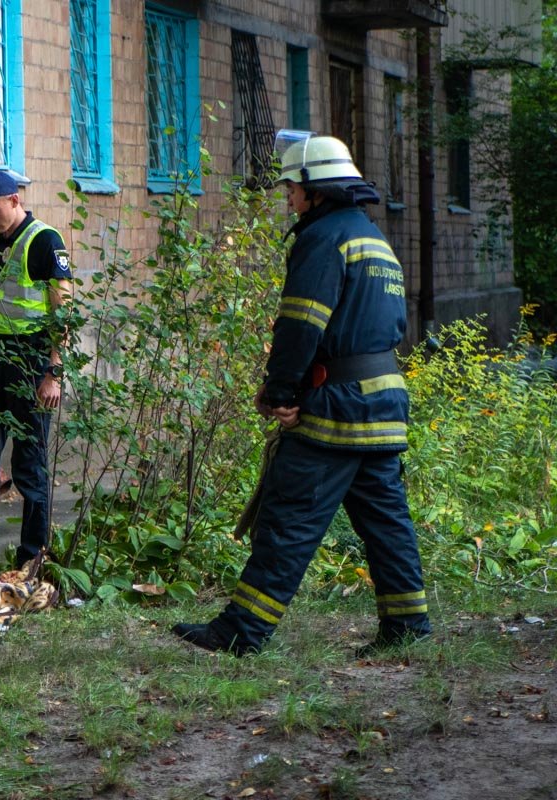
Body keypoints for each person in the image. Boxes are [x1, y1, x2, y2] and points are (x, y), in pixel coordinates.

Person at [172, 132, 432, 657]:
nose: (288, 198)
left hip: (336, 407)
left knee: (288, 515)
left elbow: (300, 323)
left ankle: (241, 632)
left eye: (292, 188)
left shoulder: (322, 238)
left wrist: (281, 390)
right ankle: (408, 628)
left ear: (316, 190)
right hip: (384, 405)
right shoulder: (375, 240)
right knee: (387, 522)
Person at [0, 170, 73, 574]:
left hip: (32, 361)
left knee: (29, 466)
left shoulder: (45, 241)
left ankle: (31, 561)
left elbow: (64, 312)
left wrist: (53, 373)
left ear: (14, 200)